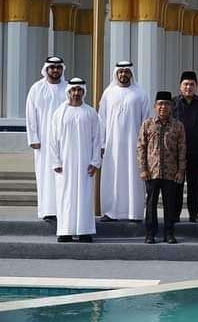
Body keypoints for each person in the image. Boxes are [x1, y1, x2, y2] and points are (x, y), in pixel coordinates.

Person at [49, 78, 101, 243]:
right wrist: (55, 161)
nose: (76, 93)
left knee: (84, 196)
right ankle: (65, 231)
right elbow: (53, 140)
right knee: (65, 196)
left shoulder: (90, 112)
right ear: (68, 92)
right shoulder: (59, 112)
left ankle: (84, 231)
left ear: (84, 92)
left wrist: (95, 161)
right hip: (65, 163)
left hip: (85, 163)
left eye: (79, 90)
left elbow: (97, 139)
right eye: (73, 90)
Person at [99, 61, 150, 221]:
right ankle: (110, 212)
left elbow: (146, 121)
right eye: (120, 72)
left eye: (126, 72)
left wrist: (145, 145)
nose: (123, 75)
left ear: (131, 74)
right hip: (112, 145)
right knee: (112, 177)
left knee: (133, 177)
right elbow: (102, 120)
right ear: (116, 73)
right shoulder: (108, 93)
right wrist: (101, 144)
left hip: (134, 145)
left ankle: (134, 212)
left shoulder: (141, 94)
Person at [137, 91, 186, 244]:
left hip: (171, 172)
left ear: (171, 107)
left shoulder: (178, 126)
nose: (163, 107)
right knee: (151, 204)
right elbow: (141, 147)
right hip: (152, 171)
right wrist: (143, 168)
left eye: (166, 104)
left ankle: (169, 233)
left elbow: (182, 149)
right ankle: (150, 233)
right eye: (160, 104)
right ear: (155, 106)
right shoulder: (147, 124)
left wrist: (181, 170)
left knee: (169, 205)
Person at [25, 56, 67, 221]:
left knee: (63, 174)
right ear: (46, 69)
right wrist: (33, 138)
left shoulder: (68, 88)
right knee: (45, 175)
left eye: (58, 67)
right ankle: (48, 210)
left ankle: (63, 209)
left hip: (65, 141)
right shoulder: (37, 88)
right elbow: (31, 114)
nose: (55, 70)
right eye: (52, 67)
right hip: (43, 139)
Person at [172, 71, 198, 223]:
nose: (188, 87)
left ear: (196, 86)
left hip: (196, 151)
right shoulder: (173, 103)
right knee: (177, 185)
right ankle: (175, 215)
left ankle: (193, 214)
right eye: (185, 84)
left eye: (191, 84)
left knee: (194, 185)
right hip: (176, 152)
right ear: (180, 86)